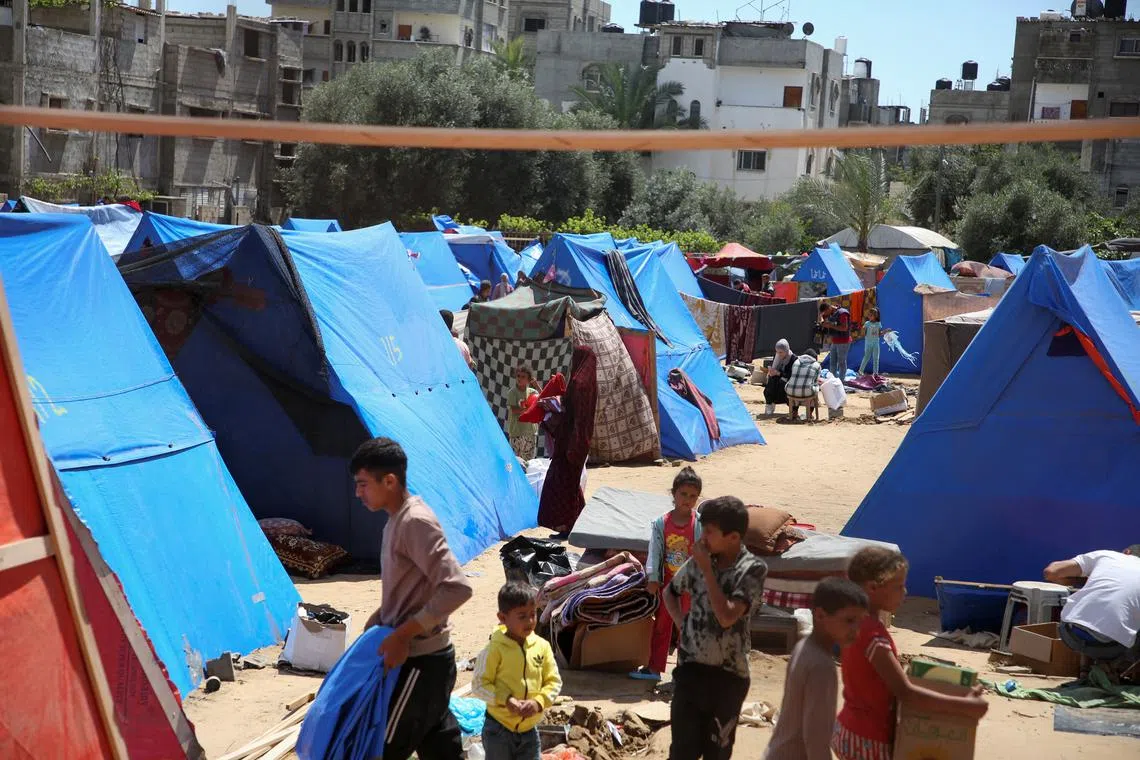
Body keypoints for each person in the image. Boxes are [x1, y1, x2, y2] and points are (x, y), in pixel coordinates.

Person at [353, 438, 475, 760]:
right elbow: (411, 587)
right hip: (421, 663)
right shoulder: (395, 520)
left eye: (363, 484)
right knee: (441, 748)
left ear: (389, 481)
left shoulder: (415, 522)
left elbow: (456, 587)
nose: (358, 493)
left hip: (422, 663)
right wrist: (381, 616)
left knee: (380, 750)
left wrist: (402, 635)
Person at [833, 547, 987, 760]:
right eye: (899, 586)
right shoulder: (874, 637)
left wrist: (956, 689)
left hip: (850, 728)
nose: (905, 592)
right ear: (872, 588)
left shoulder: (858, 624)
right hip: (869, 740)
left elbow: (877, 678)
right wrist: (964, 705)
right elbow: (905, 693)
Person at [663, 496, 767, 760]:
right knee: (682, 752)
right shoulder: (701, 560)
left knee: (717, 752)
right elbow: (671, 592)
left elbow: (726, 617)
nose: (703, 537)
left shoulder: (751, 569)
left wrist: (708, 570)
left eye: (709, 532)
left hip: (728, 678)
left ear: (732, 537)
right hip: (690, 672)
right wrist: (681, 623)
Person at [764, 578, 869, 760]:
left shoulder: (803, 646)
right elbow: (815, 739)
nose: (856, 629)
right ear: (820, 615)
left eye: (860, 621)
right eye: (849, 620)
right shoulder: (822, 666)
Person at [471, 582, 562, 760]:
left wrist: (538, 702)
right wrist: (505, 700)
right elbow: (479, 684)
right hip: (498, 729)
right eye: (522, 616)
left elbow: (554, 681)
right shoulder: (494, 649)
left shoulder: (542, 647)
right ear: (503, 618)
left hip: (529, 730)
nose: (530, 621)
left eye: (532, 614)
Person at [632, 466, 704, 681]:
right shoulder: (661, 524)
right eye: (683, 494)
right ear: (674, 494)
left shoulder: (699, 523)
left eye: (693, 496)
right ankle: (654, 669)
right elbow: (654, 552)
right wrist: (653, 578)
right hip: (668, 586)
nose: (687, 500)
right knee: (662, 626)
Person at [1044, 544, 1140, 670]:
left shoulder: (1106, 555)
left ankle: (1085, 670)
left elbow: (1051, 572)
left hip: (1071, 634)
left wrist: (1085, 582)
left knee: (1089, 615)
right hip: (1112, 648)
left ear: (1126, 552)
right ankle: (1120, 670)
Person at [536, 346, 598, 533]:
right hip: (578, 441)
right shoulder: (590, 382)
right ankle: (576, 524)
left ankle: (568, 525)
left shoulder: (579, 383)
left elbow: (576, 417)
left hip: (571, 442)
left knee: (561, 485)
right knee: (570, 484)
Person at [506, 366, 540, 462]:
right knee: (515, 463)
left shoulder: (533, 392)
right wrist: (529, 408)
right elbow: (514, 410)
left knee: (528, 463)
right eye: (518, 376)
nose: (519, 379)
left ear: (529, 379)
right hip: (517, 433)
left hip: (530, 433)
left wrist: (537, 386)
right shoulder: (512, 392)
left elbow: (544, 398)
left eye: (523, 377)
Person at [784, 348, 821, 422]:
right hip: (807, 392)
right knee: (814, 389)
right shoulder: (817, 365)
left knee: (796, 387)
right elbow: (816, 381)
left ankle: (794, 412)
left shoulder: (796, 362)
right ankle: (809, 413)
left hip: (790, 391)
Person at [763, 339, 797, 416]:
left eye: (781, 352)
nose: (779, 354)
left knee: (781, 383)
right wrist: (772, 372)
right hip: (777, 381)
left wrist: (778, 373)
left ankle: (794, 411)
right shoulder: (777, 357)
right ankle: (769, 404)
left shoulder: (793, 359)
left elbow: (791, 375)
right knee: (770, 383)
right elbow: (774, 368)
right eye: (777, 352)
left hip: (788, 383)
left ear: (786, 350)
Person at [819, 303, 852, 381]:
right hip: (835, 341)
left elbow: (844, 328)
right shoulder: (832, 313)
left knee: (841, 362)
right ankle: (833, 380)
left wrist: (830, 326)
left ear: (829, 308)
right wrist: (823, 322)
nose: (826, 315)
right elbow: (822, 320)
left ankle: (841, 381)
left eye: (825, 313)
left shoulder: (842, 313)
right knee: (833, 362)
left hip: (844, 341)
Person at [858, 308, 883, 377]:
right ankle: (860, 371)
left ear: (875, 316)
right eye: (869, 315)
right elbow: (863, 333)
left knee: (876, 358)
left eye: (871, 315)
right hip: (868, 343)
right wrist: (863, 330)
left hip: (876, 344)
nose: (869, 317)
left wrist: (886, 331)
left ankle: (875, 373)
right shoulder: (867, 323)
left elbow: (879, 334)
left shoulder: (878, 324)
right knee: (866, 357)